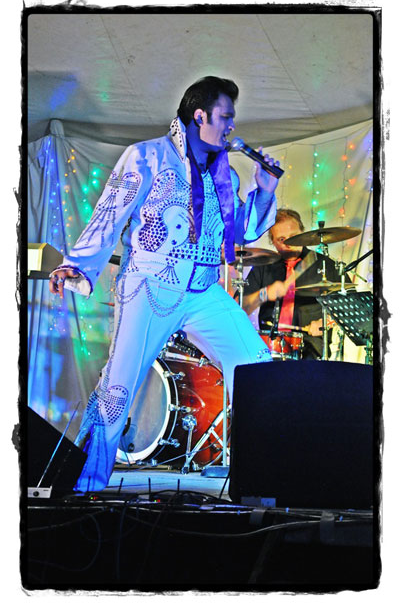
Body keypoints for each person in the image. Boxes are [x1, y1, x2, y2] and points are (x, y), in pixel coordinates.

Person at [49, 76, 280, 491]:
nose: (231, 126)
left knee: (257, 369)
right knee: (117, 389)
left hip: (203, 290)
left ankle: (263, 483)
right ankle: (82, 488)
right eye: (225, 116)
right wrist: (77, 265)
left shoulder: (222, 175)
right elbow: (110, 213)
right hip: (149, 285)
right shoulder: (146, 156)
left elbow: (242, 232)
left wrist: (264, 192)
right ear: (199, 115)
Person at [242, 208, 346, 360]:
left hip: (311, 350)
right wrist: (264, 294)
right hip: (269, 350)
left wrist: (326, 323)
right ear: (273, 242)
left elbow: (350, 305)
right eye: (281, 239)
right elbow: (240, 308)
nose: (289, 243)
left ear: (303, 233)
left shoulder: (325, 265)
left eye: (293, 237)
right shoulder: (263, 265)